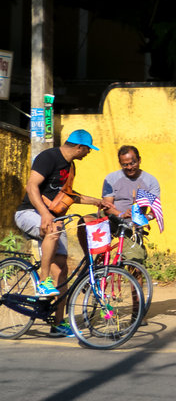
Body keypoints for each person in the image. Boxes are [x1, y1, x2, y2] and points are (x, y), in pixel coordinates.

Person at [17, 129, 103, 335]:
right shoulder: (48, 157)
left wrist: (97, 201)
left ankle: (57, 323)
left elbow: (70, 196)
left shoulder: (70, 166)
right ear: (78, 147)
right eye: (87, 150)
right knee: (53, 230)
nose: (88, 153)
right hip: (29, 212)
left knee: (62, 269)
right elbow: (31, 187)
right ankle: (43, 282)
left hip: (52, 218)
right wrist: (45, 215)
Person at [102, 145, 161, 219]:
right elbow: (107, 207)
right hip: (114, 222)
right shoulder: (111, 178)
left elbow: (155, 208)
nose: (129, 167)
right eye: (125, 165)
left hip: (137, 224)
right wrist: (122, 214)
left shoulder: (151, 181)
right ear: (120, 163)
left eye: (132, 163)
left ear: (139, 160)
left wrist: (147, 217)